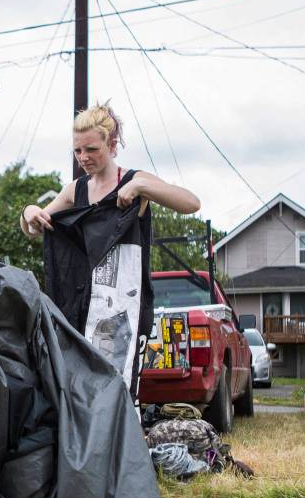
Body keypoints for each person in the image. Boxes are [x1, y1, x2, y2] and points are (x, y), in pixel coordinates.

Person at [19, 103, 200, 389]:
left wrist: (143, 187)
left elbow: (191, 203)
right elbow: (34, 228)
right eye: (77, 151)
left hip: (120, 312)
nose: (83, 158)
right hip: (77, 308)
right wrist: (29, 211)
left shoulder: (133, 180)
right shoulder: (76, 190)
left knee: (115, 390)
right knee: (77, 389)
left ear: (112, 144)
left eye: (91, 149)